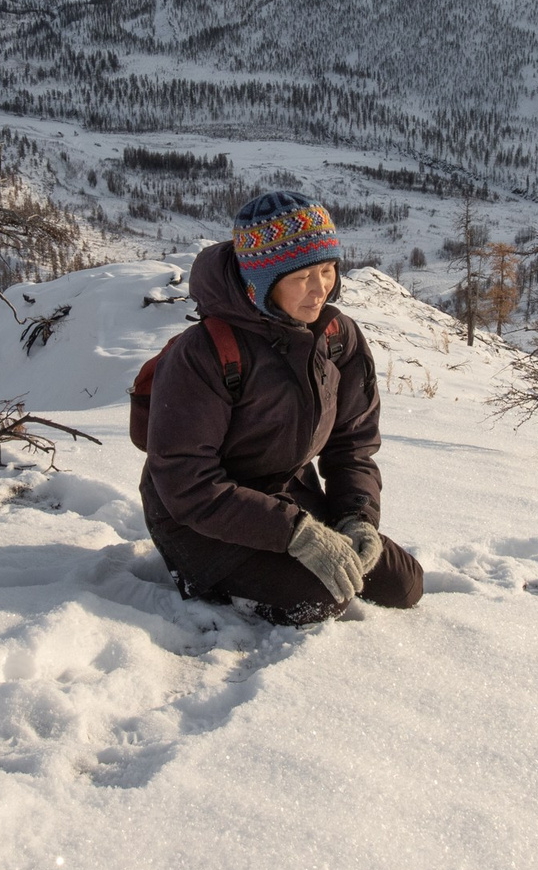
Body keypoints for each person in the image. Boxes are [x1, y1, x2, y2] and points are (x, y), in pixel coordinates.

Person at [141, 191, 426, 625]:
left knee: (403, 585)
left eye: (327, 270)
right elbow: (188, 481)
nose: (320, 288)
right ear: (261, 283)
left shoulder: (336, 337)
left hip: (285, 493)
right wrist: (295, 533)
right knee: (322, 597)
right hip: (197, 518)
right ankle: (214, 583)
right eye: (301, 277)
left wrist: (357, 516)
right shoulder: (205, 353)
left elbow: (352, 443)